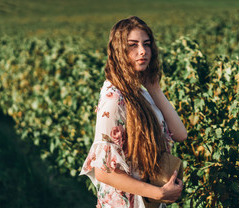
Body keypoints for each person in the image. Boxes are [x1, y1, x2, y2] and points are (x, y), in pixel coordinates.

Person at [80, 16, 187, 208]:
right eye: (133, 45)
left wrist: (154, 88)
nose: (142, 51)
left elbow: (180, 134)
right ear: (119, 51)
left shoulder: (141, 93)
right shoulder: (114, 98)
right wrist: (159, 193)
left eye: (146, 44)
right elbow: (103, 171)